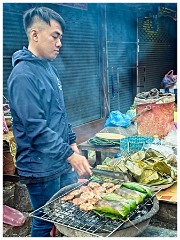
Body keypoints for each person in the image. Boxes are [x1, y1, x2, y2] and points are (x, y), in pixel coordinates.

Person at [7, 7, 92, 237]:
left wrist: (72, 143)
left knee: (68, 214)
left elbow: (59, 112)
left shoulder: (48, 68)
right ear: (35, 35)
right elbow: (36, 129)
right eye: (55, 36)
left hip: (59, 162)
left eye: (60, 37)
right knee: (45, 221)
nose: (59, 43)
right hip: (39, 168)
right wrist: (70, 154)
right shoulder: (23, 76)